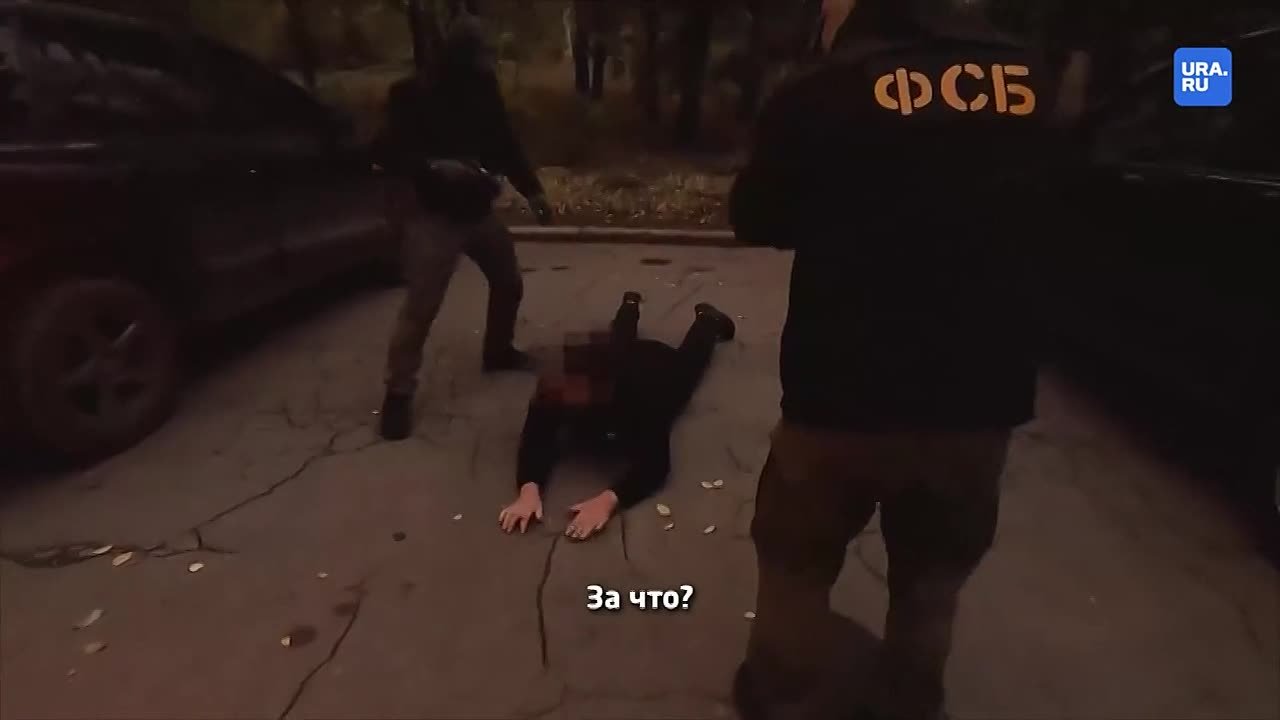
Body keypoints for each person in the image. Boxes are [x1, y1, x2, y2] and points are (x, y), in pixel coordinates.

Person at [728, 0, 1068, 718]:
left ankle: (781, 697)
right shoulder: (1034, 82)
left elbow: (756, 217)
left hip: (839, 398)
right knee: (931, 582)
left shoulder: (821, 89)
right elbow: (1069, 211)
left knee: (796, 565)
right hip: (978, 399)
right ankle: (911, 701)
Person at [374, 15, 554, 442]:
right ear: (457, 55)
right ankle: (398, 393)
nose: (486, 62)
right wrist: (435, 167)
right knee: (421, 307)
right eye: (479, 54)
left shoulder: (483, 88)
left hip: (478, 213)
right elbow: (386, 151)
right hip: (433, 217)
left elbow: (505, 141)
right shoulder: (411, 93)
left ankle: (498, 351)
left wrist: (533, 191)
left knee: (508, 282)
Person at [498, 292, 736, 540]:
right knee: (617, 344)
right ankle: (629, 306)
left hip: (658, 367)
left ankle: (707, 320)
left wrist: (607, 501)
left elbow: (655, 465)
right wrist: (528, 490)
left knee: (688, 366)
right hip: (616, 360)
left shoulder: (643, 396)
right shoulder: (556, 384)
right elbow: (535, 437)